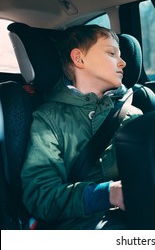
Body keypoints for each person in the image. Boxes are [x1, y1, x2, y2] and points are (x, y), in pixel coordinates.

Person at [21, 25, 142, 229]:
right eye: (111, 53)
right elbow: (41, 196)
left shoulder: (133, 114)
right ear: (79, 59)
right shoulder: (49, 119)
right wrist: (107, 193)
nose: (123, 62)